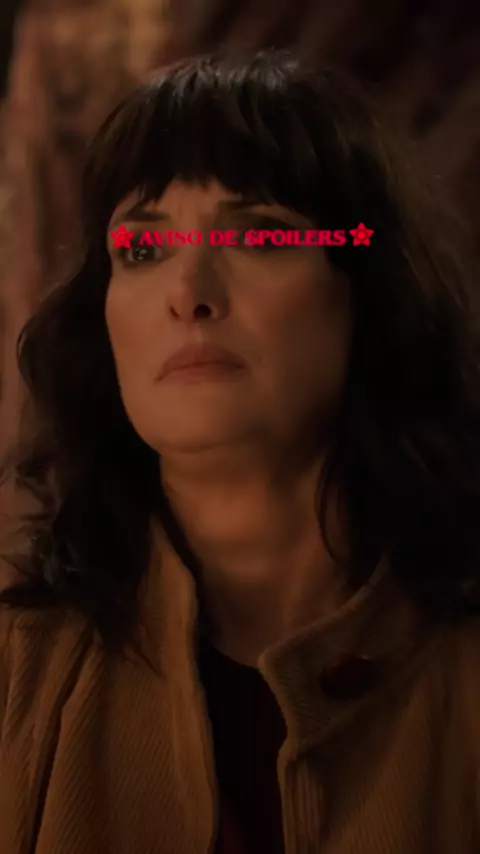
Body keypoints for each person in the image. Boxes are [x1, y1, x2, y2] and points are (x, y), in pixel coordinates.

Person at [0, 47, 479, 854]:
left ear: (369, 290)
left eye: (259, 236)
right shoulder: (20, 675)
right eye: (141, 251)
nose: (188, 294)